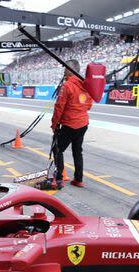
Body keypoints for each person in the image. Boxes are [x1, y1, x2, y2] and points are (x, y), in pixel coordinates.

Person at [51, 59, 93, 188]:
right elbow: (89, 105)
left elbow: (59, 107)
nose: (63, 72)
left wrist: (54, 124)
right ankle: (78, 179)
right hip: (83, 123)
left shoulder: (67, 86)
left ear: (69, 70)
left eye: (65, 69)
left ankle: (58, 179)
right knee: (77, 151)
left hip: (70, 124)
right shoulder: (87, 85)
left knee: (57, 149)